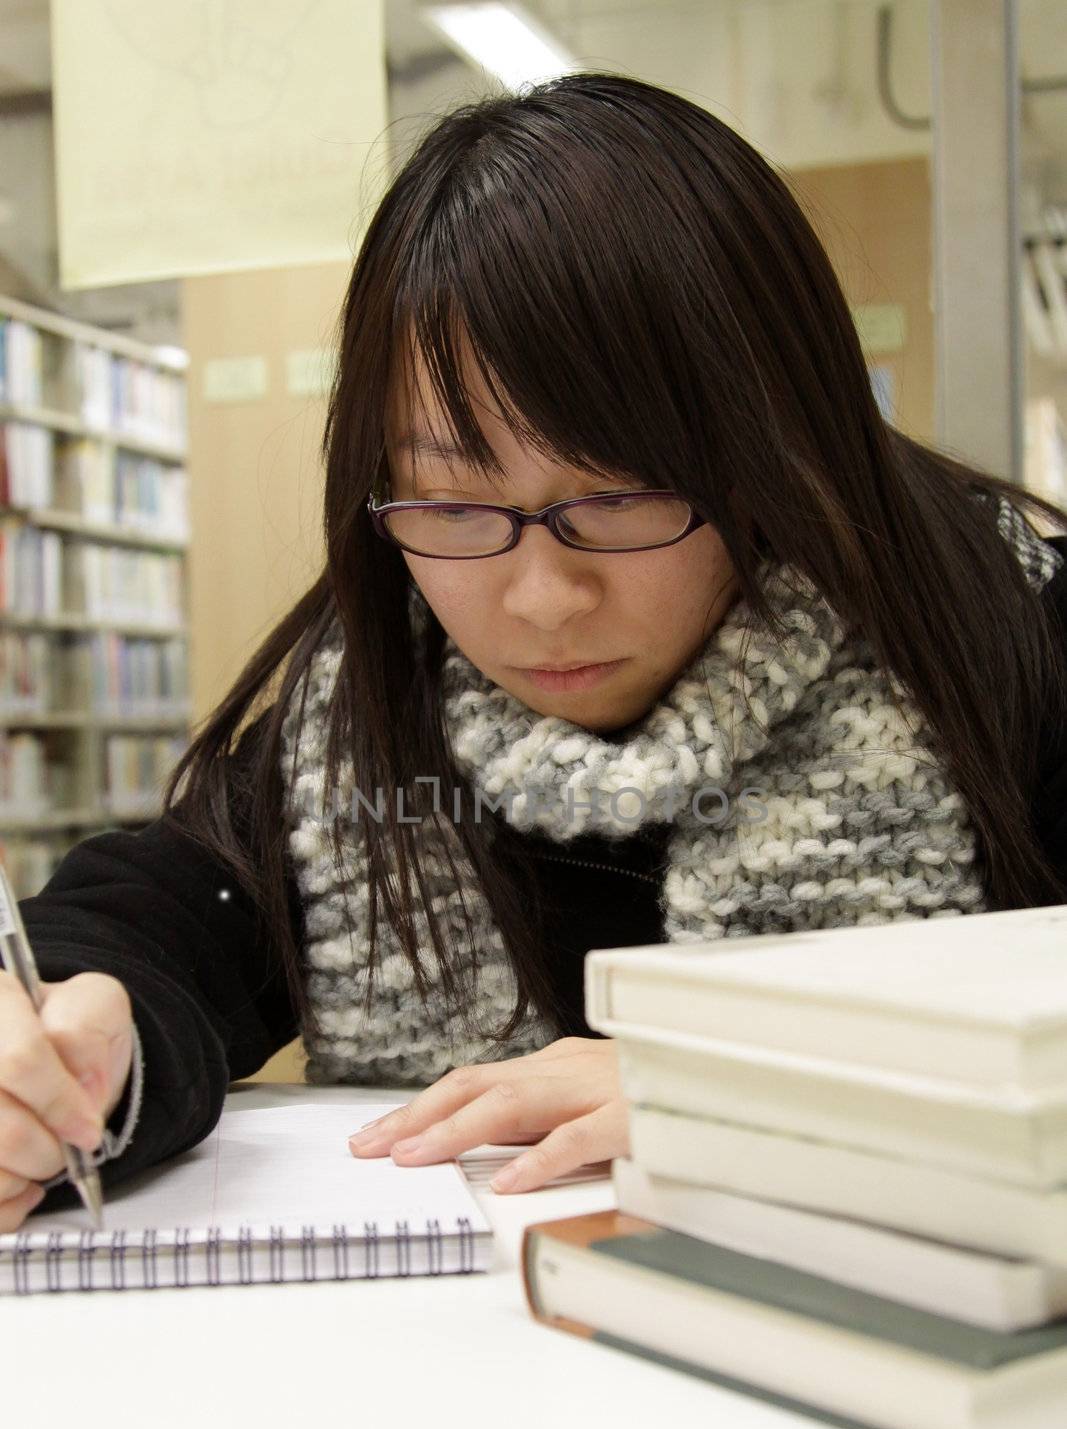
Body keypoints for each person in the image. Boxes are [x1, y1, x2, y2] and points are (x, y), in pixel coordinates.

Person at [3, 72, 1066, 1234]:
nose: (542, 595)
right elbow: (169, 907)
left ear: (772, 451)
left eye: (615, 497)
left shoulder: (1008, 635)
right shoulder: (362, 715)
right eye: (454, 506)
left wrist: (756, 1086)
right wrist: (70, 1037)